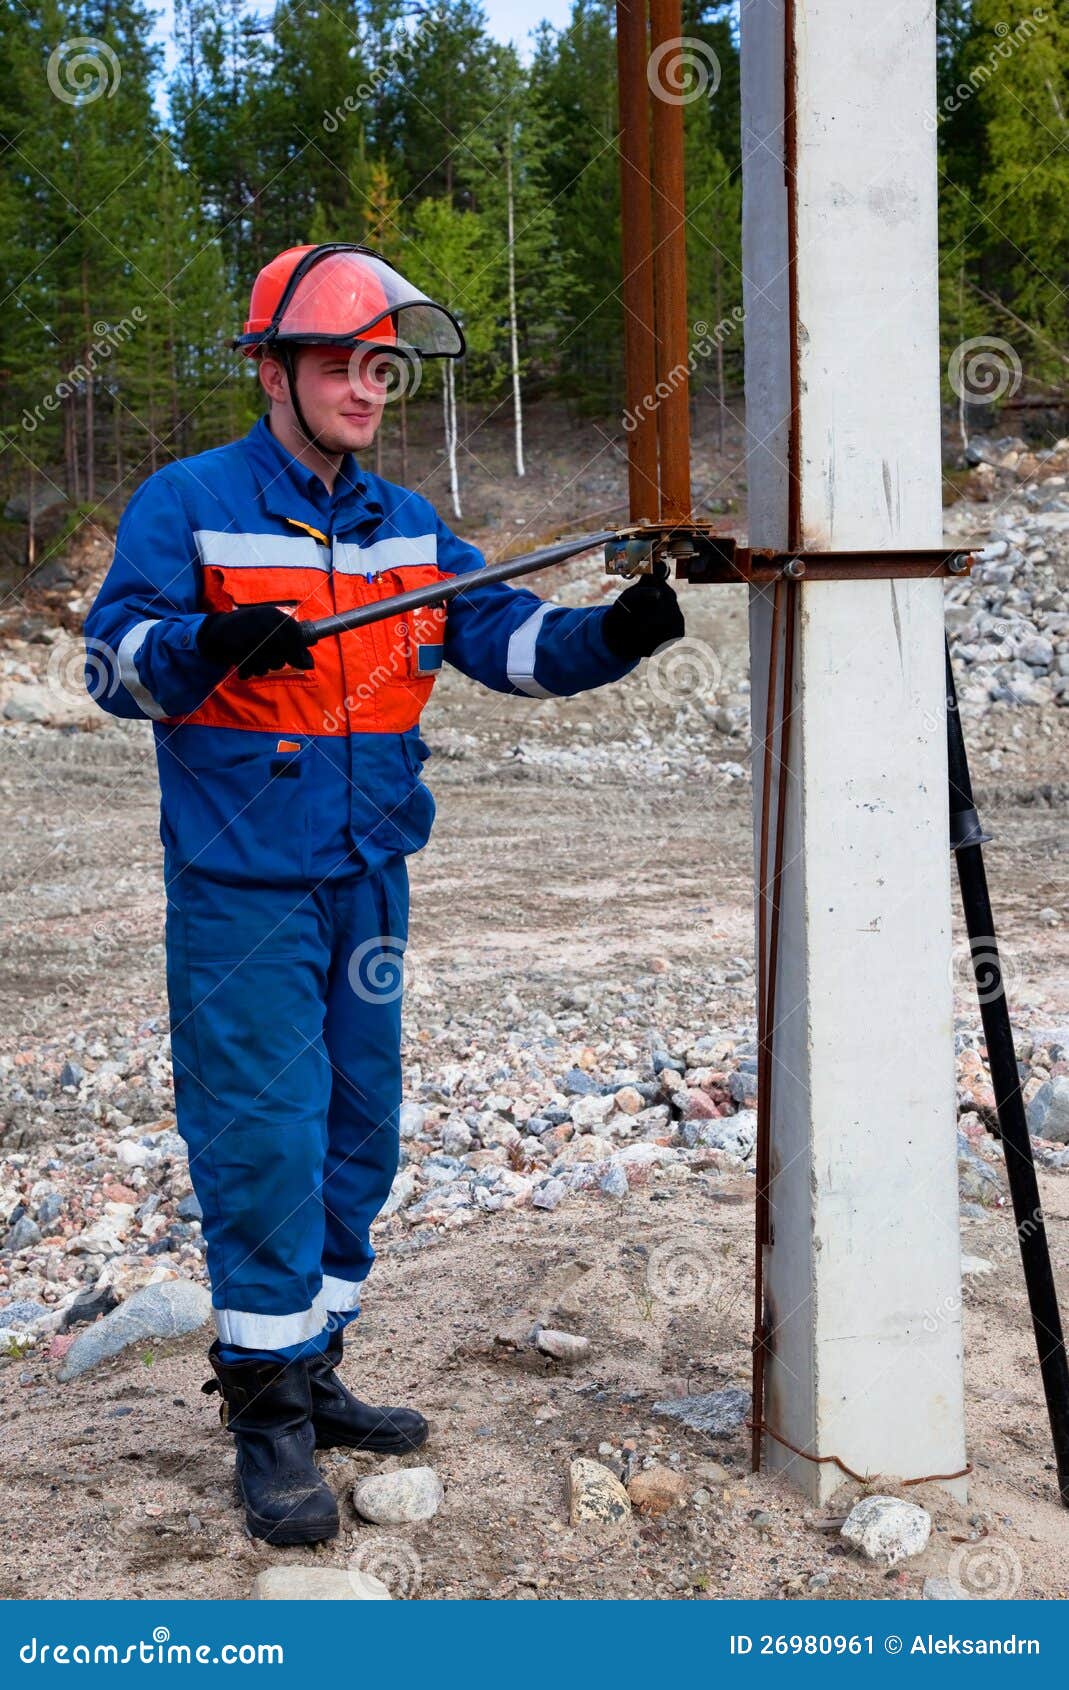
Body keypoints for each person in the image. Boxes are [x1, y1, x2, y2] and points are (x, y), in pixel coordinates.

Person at [84, 243, 684, 1544]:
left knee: (363, 1133)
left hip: (369, 883)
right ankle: (265, 1415)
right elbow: (112, 664)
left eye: (383, 366)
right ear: (277, 369)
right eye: (349, 363)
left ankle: (311, 1360)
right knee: (268, 1140)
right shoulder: (186, 504)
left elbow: (512, 641)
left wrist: (620, 634)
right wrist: (201, 643)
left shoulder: (406, 528)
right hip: (244, 895)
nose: (372, 386)